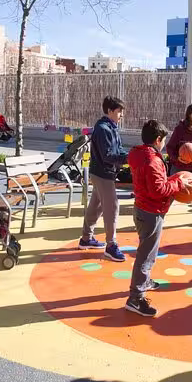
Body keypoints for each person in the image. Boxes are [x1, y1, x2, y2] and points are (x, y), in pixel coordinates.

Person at [125, 119, 190, 317]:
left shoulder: (139, 154)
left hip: (143, 209)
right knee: (146, 255)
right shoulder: (152, 160)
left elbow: (153, 185)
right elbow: (158, 190)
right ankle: (135, 298)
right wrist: (178, 183)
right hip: (151, 212)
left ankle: (143, 282)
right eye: (163, 141)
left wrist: (170, 180)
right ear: (158, 139)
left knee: (147, 251)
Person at [78, 96, 128, 262]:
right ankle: (111, 245)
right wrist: (127, 159)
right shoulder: (103, 129)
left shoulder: (112, 127)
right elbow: (108, 156)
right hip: (102, 173)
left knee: (96, 206)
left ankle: (86, 239)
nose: (121, 115)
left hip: (103, 172)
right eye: (119, 112)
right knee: (112, 207)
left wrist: (128, 156)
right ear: (110, 111)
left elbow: (118, 149)